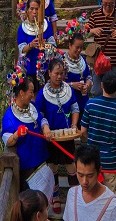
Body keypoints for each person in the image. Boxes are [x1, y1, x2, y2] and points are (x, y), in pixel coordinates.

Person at [35, 59, 79, 214]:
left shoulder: (68, 89)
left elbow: (74, 107)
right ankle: (55, 197)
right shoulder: (42, 93)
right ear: (49, 73)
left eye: (61, 74)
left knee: (70, 165)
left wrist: (74, 124)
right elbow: (39, 114)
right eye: (56, 73)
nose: (59, 76)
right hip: (51, 137)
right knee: (52, 166)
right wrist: (45, 127)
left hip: (66, 136)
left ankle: (75, 198)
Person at [1, 76, 54, 196]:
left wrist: (45, 127)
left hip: (41, 161)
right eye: (31, 92)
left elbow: (41, 119)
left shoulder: (33, 106)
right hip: (27, 167)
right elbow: (7, 140)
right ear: (21, 93)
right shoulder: (9, 116)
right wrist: (16, 135)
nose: (33, 95)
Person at [80, 73, 116, 196]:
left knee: (92, 198)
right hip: (112, 161)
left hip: (93, 160)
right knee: (110, 200)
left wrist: (92, 136)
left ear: (101, 85)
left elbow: (83, 131)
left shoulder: (91, 105)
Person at [63, 144, 116, 221]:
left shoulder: (113, 206)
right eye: (80, 175)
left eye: (90, 175)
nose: (84, 181)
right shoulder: (72, 194)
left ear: (99, 171)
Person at [86, 0, 116, 97]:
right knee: (96, 91)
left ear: (114, 2)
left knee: (113, 92)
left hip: (114, 61)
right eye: (105, 4)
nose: (107, 7)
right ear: (101, 1)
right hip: (99, 61)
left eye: (110, 4)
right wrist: (93, 31)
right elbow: (84, 33)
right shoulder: (95, 14)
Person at [17, 0, 55, 90]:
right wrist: (31, 45)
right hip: (29, 67)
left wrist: (46, 45)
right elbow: (22, 49)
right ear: (27, 10)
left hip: (44, 66)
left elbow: (53, 44)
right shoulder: (22, 28)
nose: (34, 12)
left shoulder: (46, 25)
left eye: (37, 9)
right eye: (32, 9)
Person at [64, 33, 92, 115]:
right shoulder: (62, 62)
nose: (79, 50)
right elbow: (57, 83)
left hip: (83, 102)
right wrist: (72, 85)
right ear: (70, 45)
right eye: (77, 47)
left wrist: (87, 85)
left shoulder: (83, 60)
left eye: (81, 48)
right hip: (69, 103)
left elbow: (88, 77)